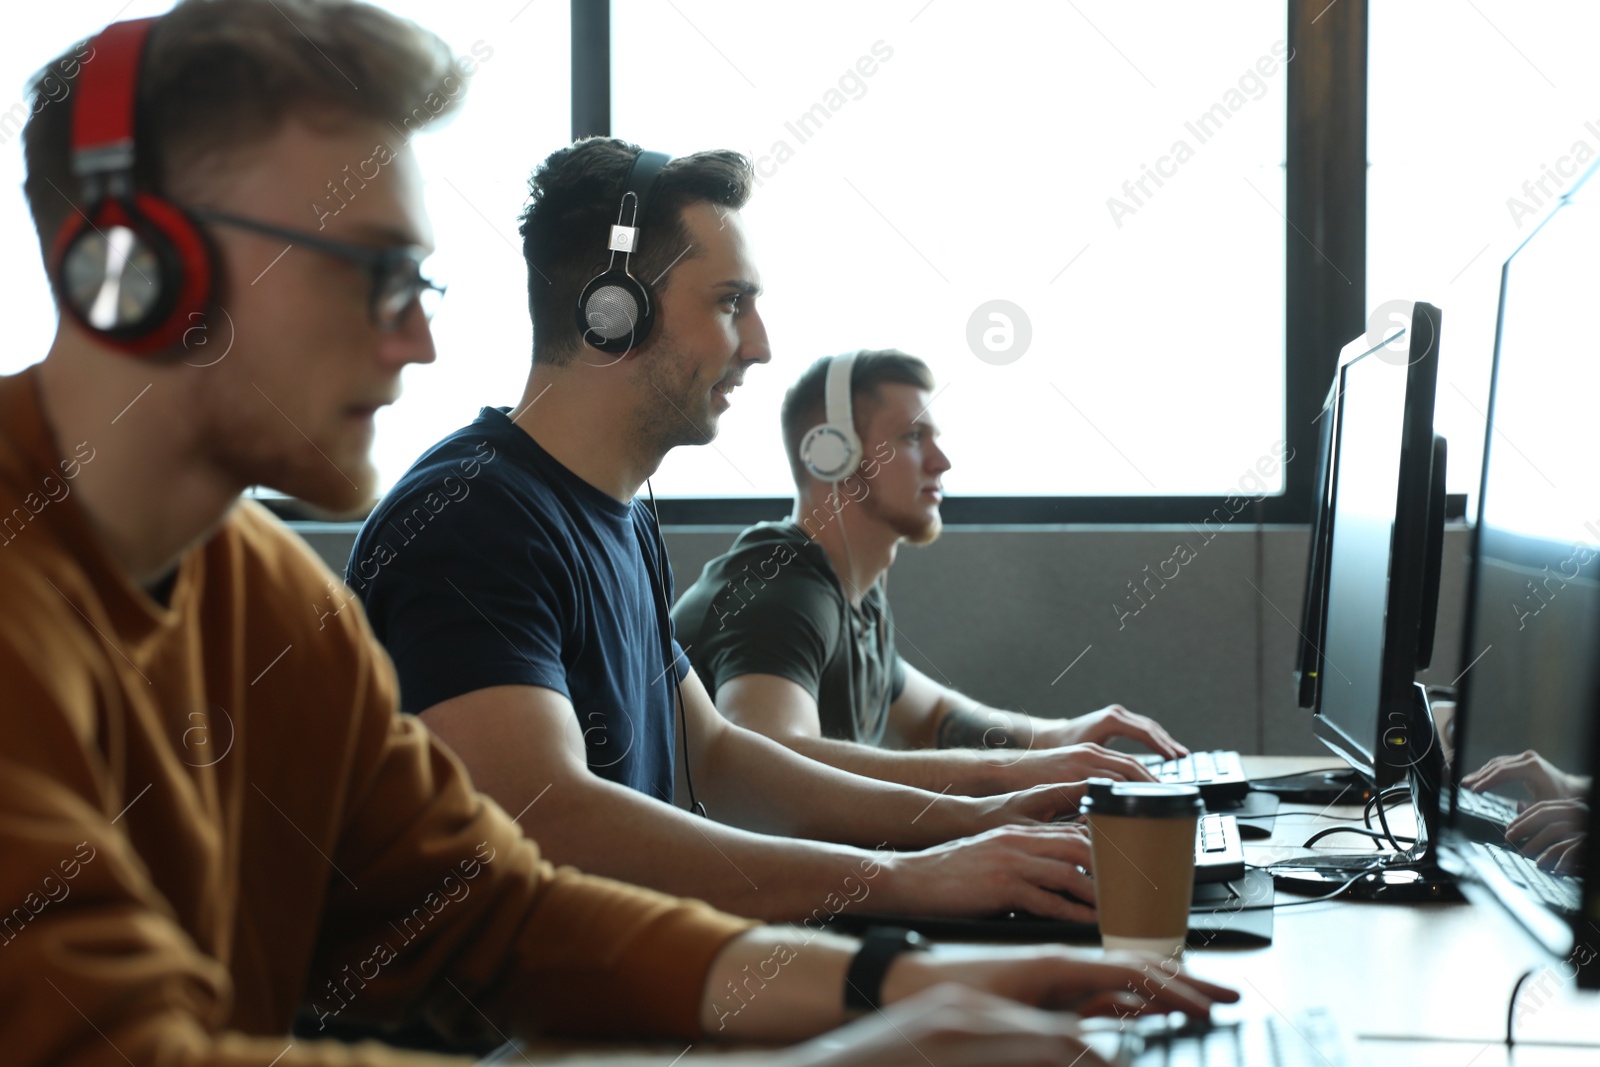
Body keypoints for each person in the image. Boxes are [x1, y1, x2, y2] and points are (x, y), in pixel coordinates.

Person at [0, 4, 1236, 1064]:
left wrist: (892, 984)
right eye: (373, 276)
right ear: (134, 266)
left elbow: (495, 902)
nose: (418, 342)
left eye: (417, 287)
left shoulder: (258, 584)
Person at [348, 138, 1133, 928]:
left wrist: (983, 823)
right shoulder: (472, 517)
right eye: (731, 302)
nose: (759, 345)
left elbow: (718, 754)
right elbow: (549, 821)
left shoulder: (618, 521)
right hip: (494, 1046)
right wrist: (904, 877)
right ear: (611, 312)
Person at [671, 350, 1191, 797]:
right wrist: (1017, 773)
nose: (941, 461)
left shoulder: (852, 593)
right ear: (831, 455)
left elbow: (933, 715)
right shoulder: (781, 593)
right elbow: (775, 767)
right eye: (913, 436)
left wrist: (1063, 736)